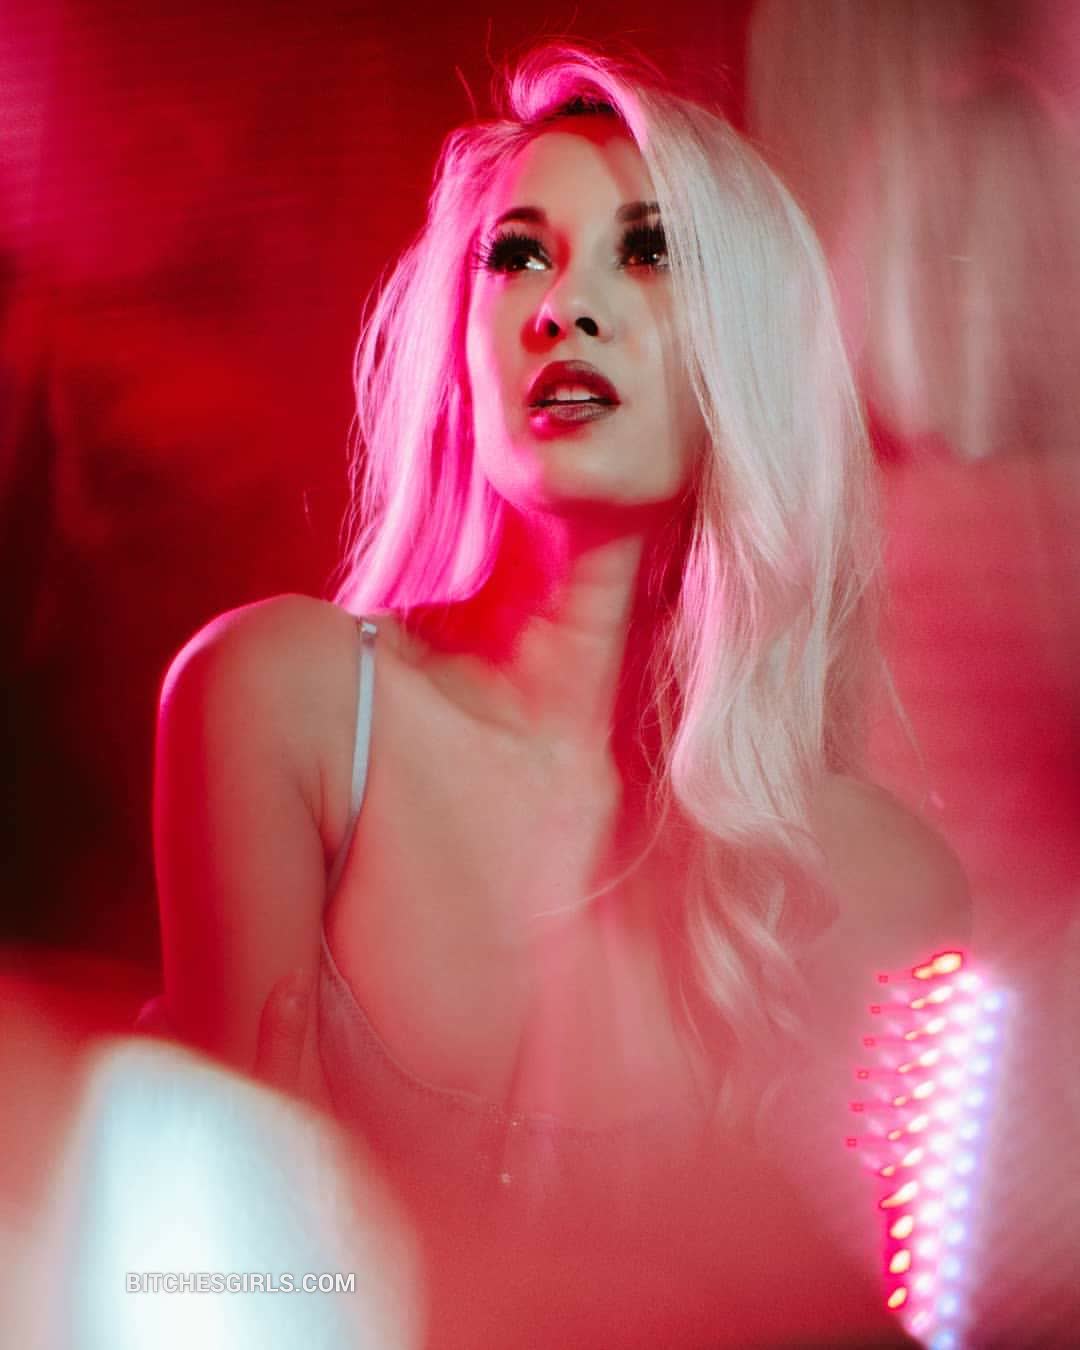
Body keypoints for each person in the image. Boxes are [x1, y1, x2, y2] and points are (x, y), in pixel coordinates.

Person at [149, 40, 969, 1348]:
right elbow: (215, 1293)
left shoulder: (883, 882)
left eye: (647, 253)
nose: (563, 308)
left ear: (750, 340)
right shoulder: (281, 703)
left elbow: (894, 1314)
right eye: (519, 254)